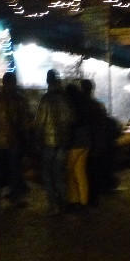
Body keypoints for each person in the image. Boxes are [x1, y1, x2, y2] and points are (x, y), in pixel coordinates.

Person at [0, 72, 32, 207]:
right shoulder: (20, 100)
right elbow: (26, 123)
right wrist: (27, 140)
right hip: (14, 140)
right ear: (14, 82)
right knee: (14, 169)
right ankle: (14, 196)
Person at [34, 69, 74, 215]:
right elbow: (71, 119)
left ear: (47, 81)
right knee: (59, 173)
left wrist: (37, 141)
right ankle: (64, 203)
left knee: (47, 174)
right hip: (63, 142)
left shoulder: (45, 99)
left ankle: (54, 205)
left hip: (48, 143)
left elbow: (39, 123)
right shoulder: (65, 98)